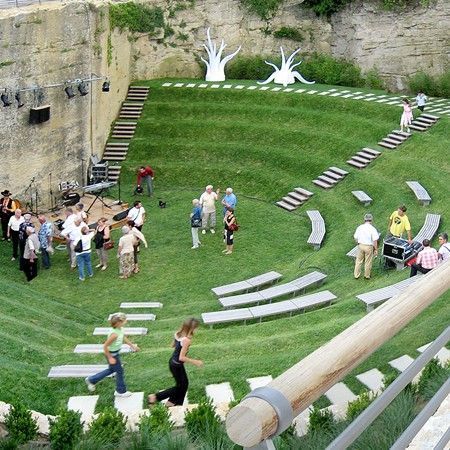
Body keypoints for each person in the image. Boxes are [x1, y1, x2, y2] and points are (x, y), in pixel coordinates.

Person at [148, 318, 203, 407]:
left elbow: (172, 345)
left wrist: (181, 344)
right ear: (192, 328)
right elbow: (181, 357)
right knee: (181, 387)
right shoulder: (186, 340)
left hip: (173, 363)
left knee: (182, 385)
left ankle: (172, 404)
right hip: (177, 365)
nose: (197, 329)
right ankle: (155, 397)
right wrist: (195, 362)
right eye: (196, 328)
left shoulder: (178, 333)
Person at [85, 312, 139, 397]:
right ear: (118, 323)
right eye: (124, 321)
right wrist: (110, 357)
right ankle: (120, 391)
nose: (125, 322)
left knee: (111, 370)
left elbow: (123, 337)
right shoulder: (114, 334)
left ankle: (91, 380)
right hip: (112, 355)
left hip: (115, 354)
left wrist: (132, 346)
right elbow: (105, 346)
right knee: (119, 371)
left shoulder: (120, 329)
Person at [353, 213, 379, 280]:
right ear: (371, 220)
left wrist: (358, 243)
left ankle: (356, 275)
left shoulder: (360, 227)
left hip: (360, 245)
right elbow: (375, 240)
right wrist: (376, 249)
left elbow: (355, 237)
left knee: (358, 260)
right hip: (368, 247)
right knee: (368, 261)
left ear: (364, 219)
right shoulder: (372, 229)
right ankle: (367, 275)